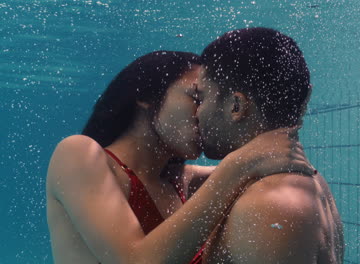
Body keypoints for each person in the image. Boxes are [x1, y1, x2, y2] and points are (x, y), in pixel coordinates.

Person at [46, 51, 315, 264]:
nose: (204, 114)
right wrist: (239, 164)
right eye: (197, 97)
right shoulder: (78, 154)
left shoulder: (184, 180)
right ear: (147, 97)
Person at [196, 27, 344, 263]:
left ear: (236, 106)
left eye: (201, 98)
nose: (196, 113)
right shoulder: (311, 182)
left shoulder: (268, 204)